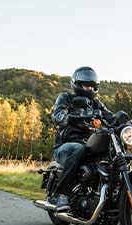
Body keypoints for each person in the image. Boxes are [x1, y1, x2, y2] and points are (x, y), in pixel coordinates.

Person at [50, 66, 114, 211]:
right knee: (78, 149)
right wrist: (69, 118)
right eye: (86, 85)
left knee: (111, 154)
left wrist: (125, 123)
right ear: (77, 84)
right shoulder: (66, 98)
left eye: (92, 86)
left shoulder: (96, 104)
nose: (89, 88)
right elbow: (57, 114)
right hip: (65, 146)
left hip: (89, 145)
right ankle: (62, 195)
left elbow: (110, 117)